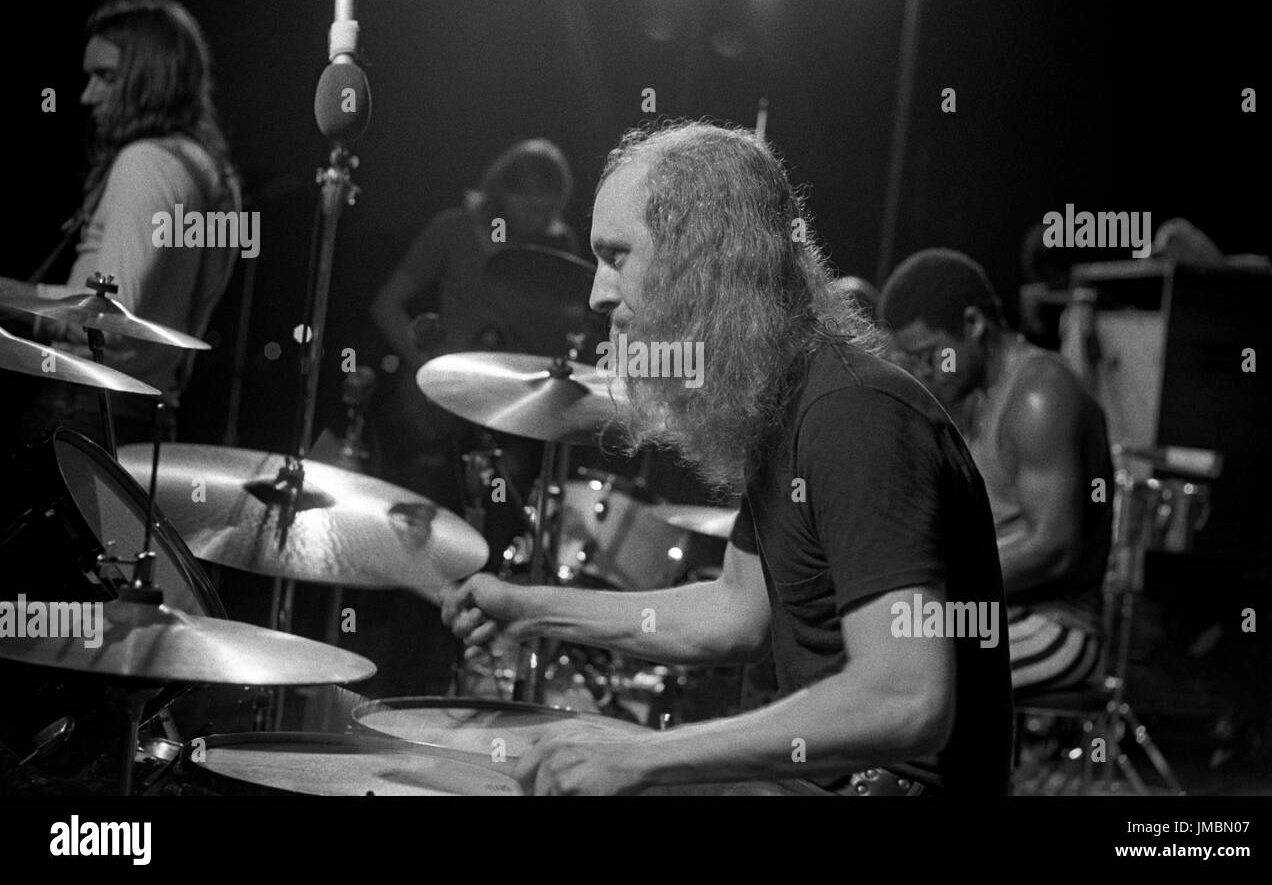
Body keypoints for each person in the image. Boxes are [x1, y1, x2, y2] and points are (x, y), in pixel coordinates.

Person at [442, 122, 1011, 796]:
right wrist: (527, 607)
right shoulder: (790, 405)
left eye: (617, 255)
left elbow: (904, 697)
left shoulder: (854, 415)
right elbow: (733, 615)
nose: (597, 295)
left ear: (701, 259)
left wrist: (641, 759)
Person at [0, 0, 240, 448]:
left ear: (150, 77)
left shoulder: (145, 162)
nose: (87, 96)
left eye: (105, 77)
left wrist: (7, 297)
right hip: (146, 416)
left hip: (87, 409)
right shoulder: (214, 172)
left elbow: (106, 318)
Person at [880, 248, 1113, 695]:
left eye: (931, 354)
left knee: (901, 683)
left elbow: (1053, 547)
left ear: (973, 323)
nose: (925, 371)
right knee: (864, 648)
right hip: (996, 615)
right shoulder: (977, 399)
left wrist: (930, 583)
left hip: (1057, 627)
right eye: (914, 361)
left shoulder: (1038, 395)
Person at [368, 139, 581, 504]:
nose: (542, 221)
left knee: (498, 525)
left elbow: (566, 334)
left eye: (549, 212)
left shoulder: (558, 247)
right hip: (438, 409)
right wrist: (425, 367)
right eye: (531, 209)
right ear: (502, 194)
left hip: (513, 417)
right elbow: (386, 305)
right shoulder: (453, 229)